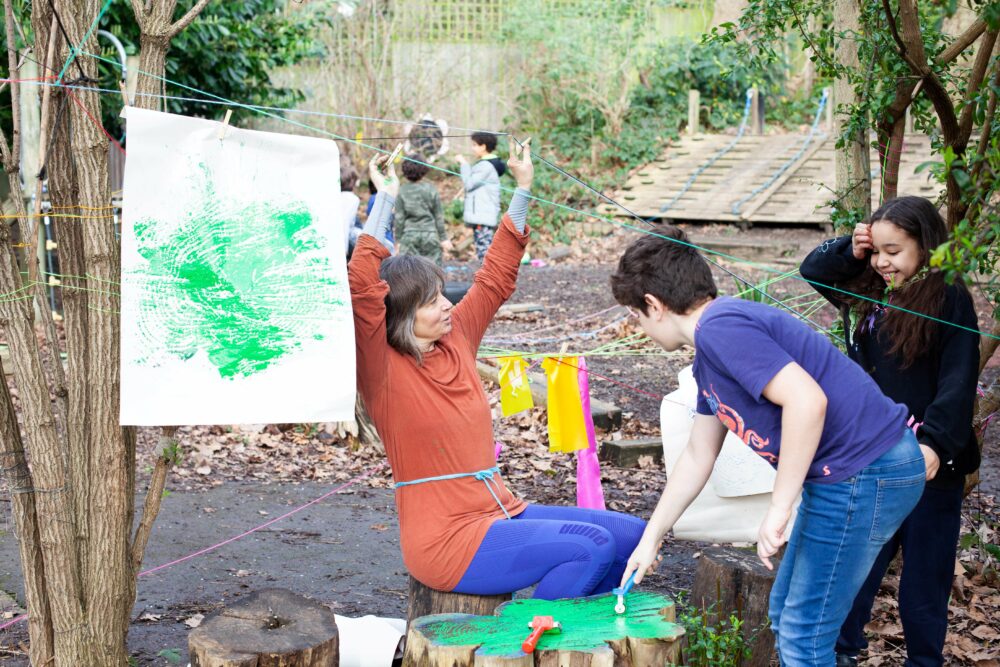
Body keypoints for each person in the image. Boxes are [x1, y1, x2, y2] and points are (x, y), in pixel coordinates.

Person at [611, 224, 926, 666]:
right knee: (787, 616)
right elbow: (699, 455)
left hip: (867, 469)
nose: (638, 327)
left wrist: (779, 506)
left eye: (635, 315)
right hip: (847, 475)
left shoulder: (722, 328)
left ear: (654, 305)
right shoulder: (709, 357)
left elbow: (806, 401)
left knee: (803, 635)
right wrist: (651, 538)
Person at [348, 140, 645, 599]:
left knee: (633, 535)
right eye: (431, 302)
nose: (448, 306)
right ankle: (525, 642)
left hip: (499, 509)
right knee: (590, 548)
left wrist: (522, 189)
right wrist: (384, 196)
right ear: (401, 315)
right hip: (446, 540)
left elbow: (496, 276)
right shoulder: (382, 369)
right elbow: (361, 287)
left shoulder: (457, 336)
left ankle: (581, 638)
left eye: (443, 295)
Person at [799, 196, 981, 667]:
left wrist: (936, 443)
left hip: (929, 468)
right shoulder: (871, 287)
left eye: (893, 251)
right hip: (873, 459)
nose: (883, 262)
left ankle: (924, 660)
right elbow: (813, 270)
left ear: (926, 246)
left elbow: (958, 381)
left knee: (925, 579)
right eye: (876, 250)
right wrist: (851, 248)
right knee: (856, 569)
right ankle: (841, 653)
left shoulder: (949, 298)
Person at [394, 153, 452, 266]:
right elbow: (438, 216)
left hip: (409, 236)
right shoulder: (431, 189)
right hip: (430, 235)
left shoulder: (402, 191)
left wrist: (398, 240)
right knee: (433, 271)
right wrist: (443, 238)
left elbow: (399, 218)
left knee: (409, 272)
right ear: (424, 170)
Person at [457, 131, 506, 261]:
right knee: (483, 249)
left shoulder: (486, 166)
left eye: (474, 145)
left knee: (484, 251)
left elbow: (469, 183)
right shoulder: (488, 164)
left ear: (483, 146)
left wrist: (463, 164)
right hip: (483, 214)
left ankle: (489, 279)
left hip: (483, 215)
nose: (472, 148)